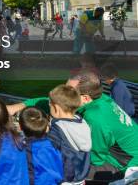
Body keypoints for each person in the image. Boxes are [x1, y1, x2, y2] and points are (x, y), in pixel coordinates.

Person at [10, 71, 138, 181]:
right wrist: (20, 105)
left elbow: (95, 159)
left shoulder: (96, 118)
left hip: (122, 166)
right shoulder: (99, 98)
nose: (63, 94)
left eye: (68, 92)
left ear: (86, 98)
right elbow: (56, 102)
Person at [47, 84, 92, 185]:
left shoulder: (57, 129)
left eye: (49, 103)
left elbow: (47, 154)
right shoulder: (83, 123)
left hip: (64, 179)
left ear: (56, 107)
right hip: (81, 177)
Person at [18, 107, 64, 184]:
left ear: (20, 127)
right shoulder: (56, 143)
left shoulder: (22, 149)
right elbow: (68, 169)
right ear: (46, 127)